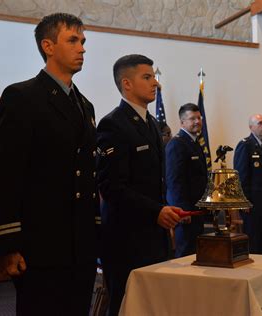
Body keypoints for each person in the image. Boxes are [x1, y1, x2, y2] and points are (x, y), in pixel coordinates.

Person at [0, 13, 99, 316]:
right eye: (73, 40)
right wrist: (7, 243)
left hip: (80, 244)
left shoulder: (85, 105)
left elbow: (88, 174)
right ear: (48, 46)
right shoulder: (23, 97)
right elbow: (6, 173)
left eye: (83, 41)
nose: (82, 48)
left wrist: (94, 230)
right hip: (41, 243)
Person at [96, 54, 182, 316]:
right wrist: (155, 211)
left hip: (154, 234)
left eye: (154, 76)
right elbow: (111, 187)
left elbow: (156, 181)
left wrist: (163, 210)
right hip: (126, 237)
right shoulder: (113, 124)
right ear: (127, 84)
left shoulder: (153, 124)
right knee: (126, 305)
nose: (155, 83)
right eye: (147, 77)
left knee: (153, 305)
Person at [166, 103, 208, 257]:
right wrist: (182, 210)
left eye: (199, 118)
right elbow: (174, 181)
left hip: (196, 208)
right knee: (185, 253)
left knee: (196, 253)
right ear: (182, 122)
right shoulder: (177, 144)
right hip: (186, 210)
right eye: (192, 119)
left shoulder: (194, 143)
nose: (197, 121)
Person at [233, 114, 262, 254]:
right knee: (253, 240)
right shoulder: (245, 145)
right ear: (251, 127)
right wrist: (244, 201)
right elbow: (240, 176)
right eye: (260, 123)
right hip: (252, 203)